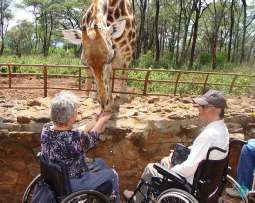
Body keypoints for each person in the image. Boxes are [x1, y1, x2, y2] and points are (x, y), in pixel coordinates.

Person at [124, 89, 230, 202]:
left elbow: (189, 169)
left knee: (151, 168)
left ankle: (136, 199)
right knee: (166, 160)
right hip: (207, 182)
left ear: (215, 109)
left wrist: (173, 169)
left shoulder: (208, 135)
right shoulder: (222, 130)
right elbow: (203, 153)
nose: (199, 109)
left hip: (191, 182)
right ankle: (146, 193)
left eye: (203, 106)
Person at [41, 91, 120, 202]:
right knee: (113, 175)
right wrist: (102, 120)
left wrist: (94, 121)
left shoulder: (46, 130)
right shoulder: (73, 138)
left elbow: (75, 132)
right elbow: (91, 138)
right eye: (75, 111)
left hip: (58, 177)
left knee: (100, 163)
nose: (77, 113)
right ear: (70, 117)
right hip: (73, 181)